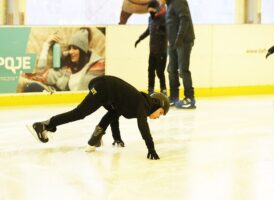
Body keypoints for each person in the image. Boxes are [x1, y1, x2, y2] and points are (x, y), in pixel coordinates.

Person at [27, 75, 170, 160]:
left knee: (111, 113)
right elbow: (142, 126)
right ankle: (44, 125)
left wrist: (117, 138)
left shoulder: (136, 102)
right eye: (161, 112)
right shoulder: (142, 104)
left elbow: (115, 114)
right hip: (103, 87)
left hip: (106, 90)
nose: (159, 117)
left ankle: (94, 138)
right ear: (157, 104)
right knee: (80, 113)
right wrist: (150, 148)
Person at [21, 28, 105, 93]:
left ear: (83, 50)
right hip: (59, 98)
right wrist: (46, 46)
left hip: (81, 103)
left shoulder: (98, 64)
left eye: (75, 48)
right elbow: (41, 72)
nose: (71, 52)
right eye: (70, 48)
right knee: (31, 87)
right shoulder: (68, 68)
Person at [157, 0, 196, 109]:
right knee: (171, 69)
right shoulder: (169, 5)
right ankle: (174, 97)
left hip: (183, 42)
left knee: (183, 70)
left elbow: (185, 19)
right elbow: (171, 23)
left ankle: (190, 98)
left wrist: (179, 38)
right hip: (173, 43)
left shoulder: (178, 1)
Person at [135, 0, 167, 95]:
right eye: (149, 11)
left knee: (160, 72)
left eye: (152, 11)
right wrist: (140, 39)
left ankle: (163, 90)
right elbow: (149, 30)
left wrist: (161, 30)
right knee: (150, 71)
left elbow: (168, 32)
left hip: (162, 50)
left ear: (156, 9)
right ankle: (150, 90)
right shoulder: (150, 18)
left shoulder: (164, 18)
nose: (150, 13)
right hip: (152, 50)